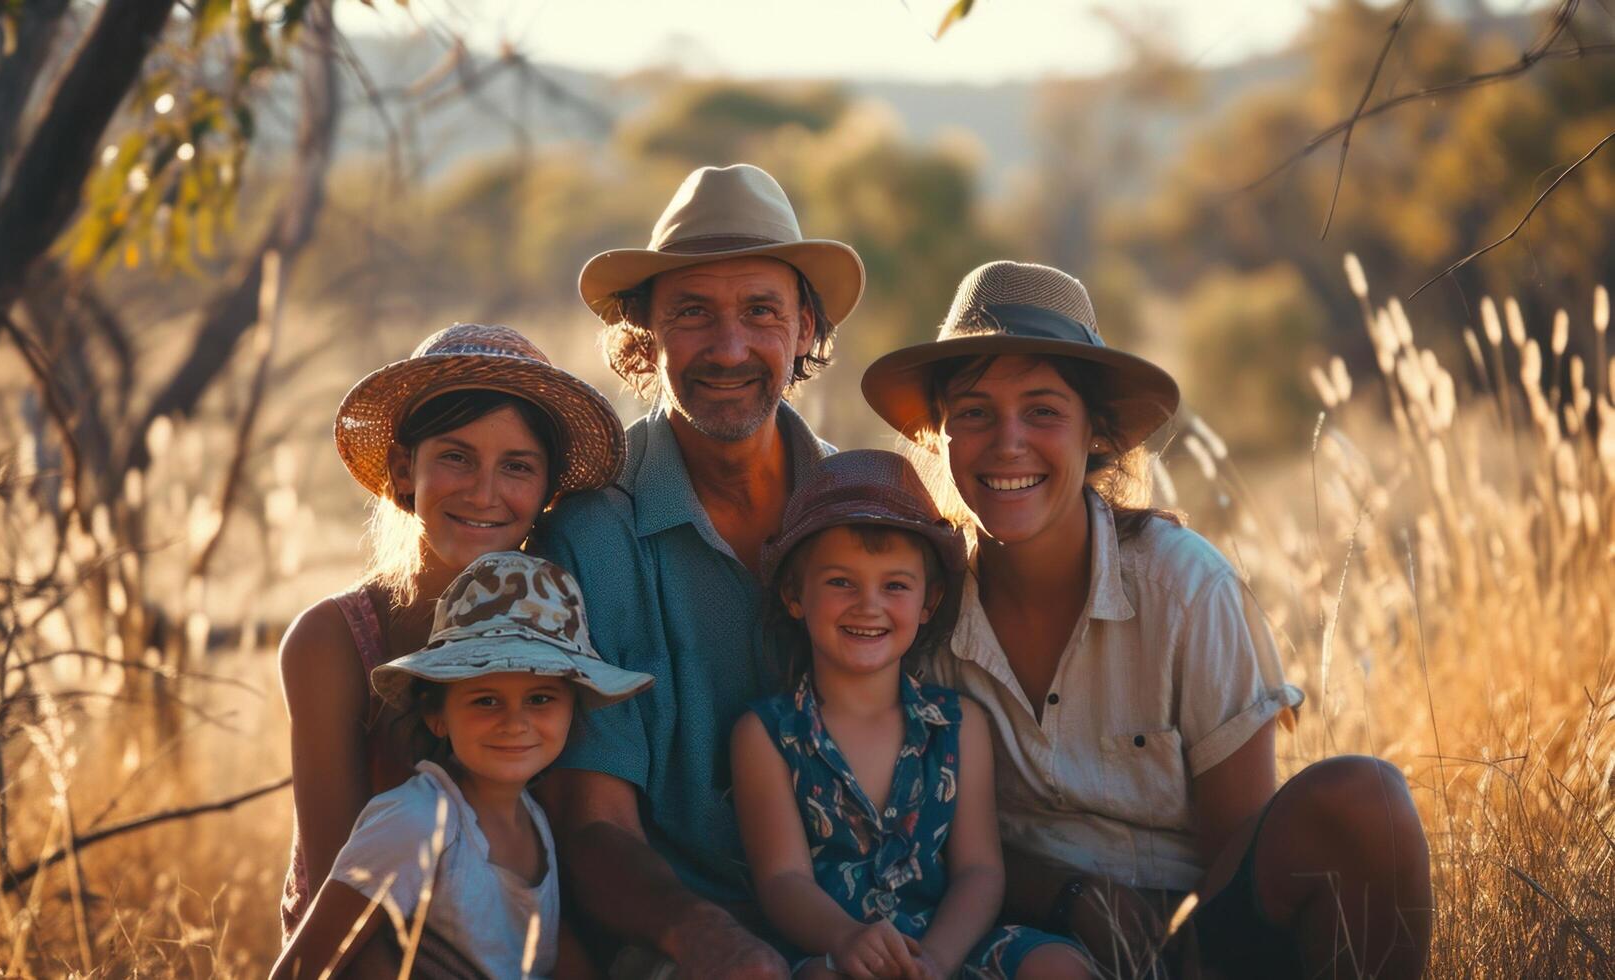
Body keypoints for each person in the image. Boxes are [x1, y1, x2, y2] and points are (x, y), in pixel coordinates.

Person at [860, 260, 1433, 978]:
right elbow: (920, 834)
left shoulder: (1184, 586)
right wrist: (1077, 899)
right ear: (940, 434)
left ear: (1093, 434)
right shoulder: (919, 606)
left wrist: (1166, 956)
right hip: (1018, 940)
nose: (1007, 442)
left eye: (1042, 410)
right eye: (973, 412)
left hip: (1194, 939)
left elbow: (1239, 847)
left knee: (1366, 798)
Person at [530, 163, 866, 977]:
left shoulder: (858, 512)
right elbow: (593, 822)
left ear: (805, 328)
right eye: (691, 314)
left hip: (864, 926)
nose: (728, 348)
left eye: (761, 312)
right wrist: (704, 937)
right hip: (674, 944)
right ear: (644, 334)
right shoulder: (590, 533)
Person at [277, 323, 625, 953]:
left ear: (548, 493)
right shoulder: (333, 641)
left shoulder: (560, 623)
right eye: (456, 457)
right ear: (404, 470)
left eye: (517, 467)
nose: (484, 492)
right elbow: (340, 907)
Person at [732, 449, 1090, 980]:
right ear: (794, 594)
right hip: (840, 949)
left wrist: (938, 961)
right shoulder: (767, 735)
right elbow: (784, 880)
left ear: (929, 601)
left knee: (1057, 963)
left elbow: (979, 871)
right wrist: (845, 938)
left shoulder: (959, 724)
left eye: (895, 585)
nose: (868, 605)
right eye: (840, 583)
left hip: (948, 947)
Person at [272, 551, 654, 979]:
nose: (515, 722)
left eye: (540, 698)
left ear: (572, 710)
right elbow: (300, 968)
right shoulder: (415, 822)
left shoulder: (536, 824)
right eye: (485, 700)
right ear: (437, 715)